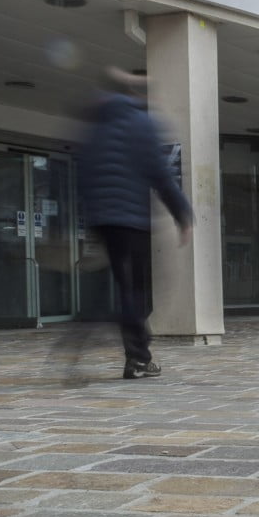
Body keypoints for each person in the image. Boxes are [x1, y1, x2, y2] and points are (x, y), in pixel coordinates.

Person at [75, 67, 193, 379]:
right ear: (135, 95)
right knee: (138, 291)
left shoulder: (95, 125)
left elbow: (82, 172)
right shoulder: (142, 123)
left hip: (104, 220)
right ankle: (138, 357)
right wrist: (182, 214)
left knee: (125, 286)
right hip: (133, 220)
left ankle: (133, 347)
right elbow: (160, 173)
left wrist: (90, 216)